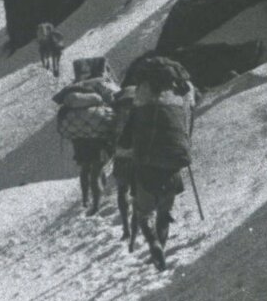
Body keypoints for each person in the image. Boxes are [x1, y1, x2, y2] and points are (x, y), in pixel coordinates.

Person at [112, 52, 199, 269]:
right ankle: (162, 246)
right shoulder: (181, 94)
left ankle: (153, 244)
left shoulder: (142, 100)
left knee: (143, 213)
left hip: (147, 166)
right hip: (174, 164)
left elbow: (125, 140)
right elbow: (188, 126)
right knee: (164, 213)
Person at [52, 56, 118, 214]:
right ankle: (96, 203)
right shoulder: (101, 84)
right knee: (97, 169)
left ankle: (85, 199)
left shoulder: (73, 87)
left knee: (85, 167)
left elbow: (60, 103)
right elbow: (114, 100)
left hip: (79, 137)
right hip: (98, 135)